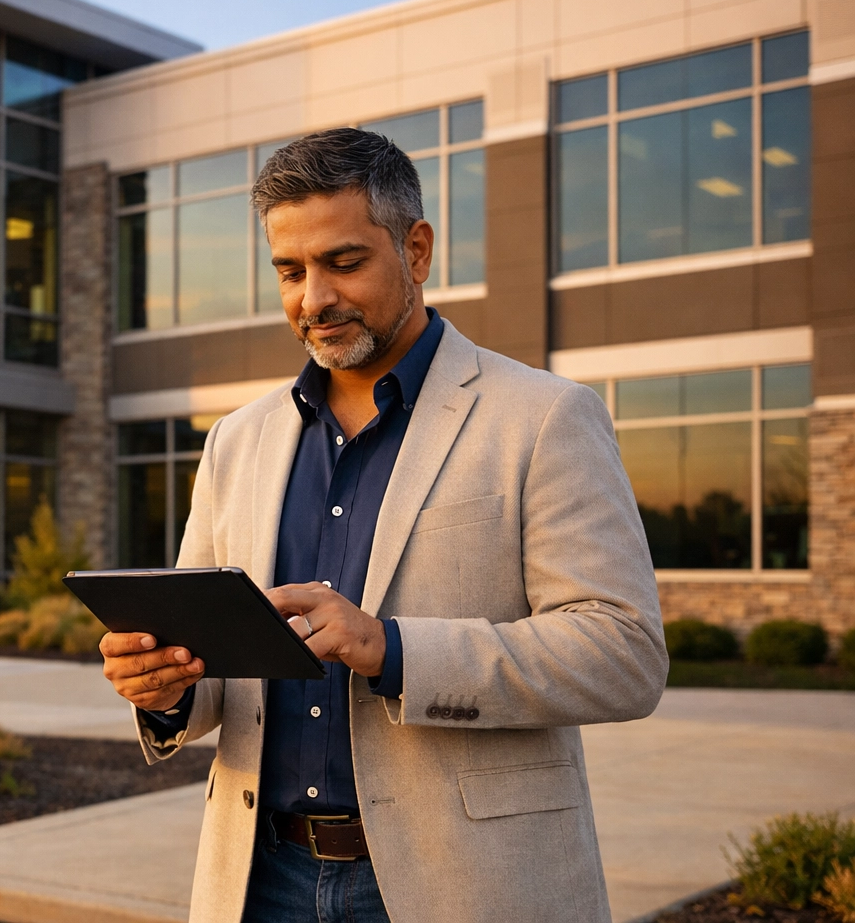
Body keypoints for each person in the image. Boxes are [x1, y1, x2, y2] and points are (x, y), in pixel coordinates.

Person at [99, 127, 667, 923]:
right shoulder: (238, 439)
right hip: (258, 883)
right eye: (290, 271)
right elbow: (215, 673)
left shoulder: (542, 418)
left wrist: (391, 648)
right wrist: (164, 690)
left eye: (344, 262)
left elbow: (624, 654)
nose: (313, 299)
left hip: (465, 884)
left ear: (418, 250)